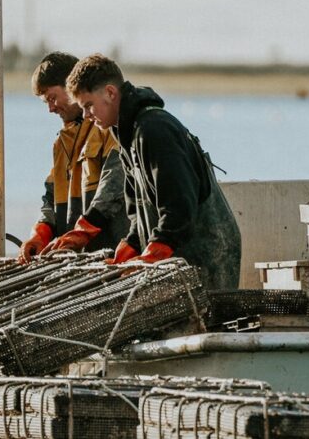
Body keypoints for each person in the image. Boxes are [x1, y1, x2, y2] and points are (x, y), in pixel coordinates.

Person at [65, 53, 241, 290]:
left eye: (88, 106)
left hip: (206, 257)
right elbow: (138, 207)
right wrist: (132, 244)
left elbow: (179, 205)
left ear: (110, 93)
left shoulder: (154, 129)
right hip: (180, 257)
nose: (86, 116)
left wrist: (155, 251)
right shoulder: (126, 133)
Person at [17, 52, 127, 264]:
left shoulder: (109, 128)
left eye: (52, 98)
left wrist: (81, 233)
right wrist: (40, 233)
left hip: (113, 256)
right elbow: (50, 196)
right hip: (78, 261)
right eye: (45, 102)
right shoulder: (61, 144)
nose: (50, 108)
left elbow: (113, 187)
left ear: (71, 87)